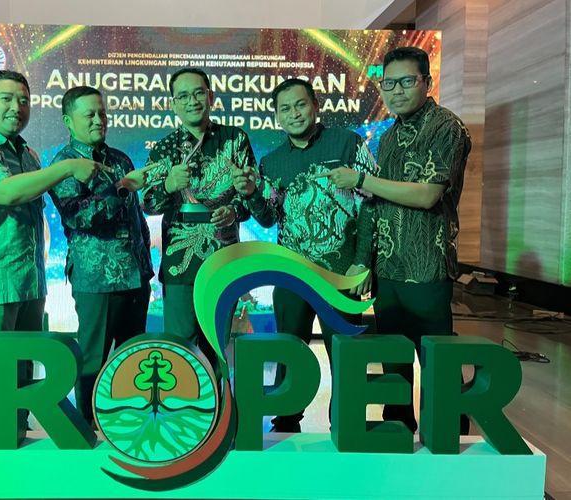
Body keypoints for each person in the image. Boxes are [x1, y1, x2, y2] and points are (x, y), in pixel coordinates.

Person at [0, 70, 107, 430]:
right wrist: (67, 167)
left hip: (28, 281)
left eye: (23, 100)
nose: (16, 107)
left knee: (22, 371)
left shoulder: (28, 154)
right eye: (6, 99)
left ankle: (15, 441)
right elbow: (6, 192)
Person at [324, 47, 472, 434]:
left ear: (427, 82)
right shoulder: (387, 137)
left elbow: (427, 195)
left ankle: (450, 434)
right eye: (388, 84)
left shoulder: (446, 127)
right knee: (393, 358)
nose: (397, 91)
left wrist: (362, 179)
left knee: (436, 358)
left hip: (426, 265)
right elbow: (374, 204)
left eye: (407, 81)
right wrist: (365, 260)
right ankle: (398, 429)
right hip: (388, 268)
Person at [233, 78, 377, 432]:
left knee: (345, 353)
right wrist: (251, 193)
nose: (294, 114)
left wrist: (362, 260)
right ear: (277, 116)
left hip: (340, 273)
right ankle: (285, 420)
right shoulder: (272, 162)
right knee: (289, 350)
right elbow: (268, 217)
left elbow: (371, 205)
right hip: (292, 275)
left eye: (300, 104)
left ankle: (346, 424)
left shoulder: (347, 143)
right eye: (285, 109)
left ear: (315, 105)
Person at [48, 86, 154, 425]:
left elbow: (135, 217)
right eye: (89, 114)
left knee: (132, 358)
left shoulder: (120, 159)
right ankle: (87, 426)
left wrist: (145, 265)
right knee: (93, 359)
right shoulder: (64, 164)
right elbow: (80, 217)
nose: (98, 120)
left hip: (135, 276)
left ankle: (127, 424)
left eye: (102, 113)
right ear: (68, 120)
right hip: (97, 278)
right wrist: (121, 188)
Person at [142, 68, 256, 366]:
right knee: (179, 350)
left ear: (211, 97)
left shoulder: (235, 140)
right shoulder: (164, 148)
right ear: (173, 104)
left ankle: (218, 397)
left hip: (223, 260)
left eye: (198, 93)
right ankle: (184, 398)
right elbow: (148, 203)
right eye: (183, 96)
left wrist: (234, 211)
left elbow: (251, 197)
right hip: (180, 262)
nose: (192, 101)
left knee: (216, 347)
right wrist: (168, 185)